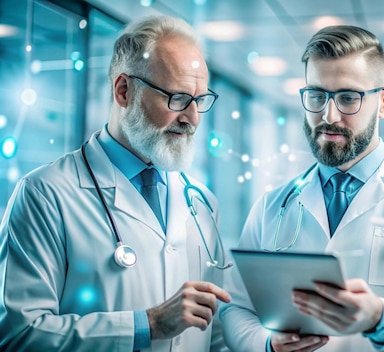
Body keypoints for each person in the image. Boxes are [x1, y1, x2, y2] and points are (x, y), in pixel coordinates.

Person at [219, 25, 384, 351]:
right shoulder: (272, 206)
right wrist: (266, 344)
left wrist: (382, 318)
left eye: (348, 98)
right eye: (317, 96)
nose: (328, 115)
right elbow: (236, 307)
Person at [0, 16, 232, 351]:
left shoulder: (202, 202)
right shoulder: (46, 193)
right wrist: (147, 325)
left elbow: (214, 332)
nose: (192, 118)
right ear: (124, 90)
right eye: (178, 98)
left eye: (199, 100)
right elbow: (19, 334)